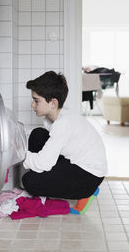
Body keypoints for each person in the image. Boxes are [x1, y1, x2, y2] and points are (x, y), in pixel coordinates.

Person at [22, 71, 108, 214]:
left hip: (88, 176)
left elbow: (44, 162)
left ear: (53, 103)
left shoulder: (63, 124)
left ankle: (86, 193)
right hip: (79, 163)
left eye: (36, 101)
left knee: (29, 182)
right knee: (38, 135)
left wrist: (20, 155)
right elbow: (50, 148)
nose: (32, 105)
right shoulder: (57, 116)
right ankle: (46, 182)